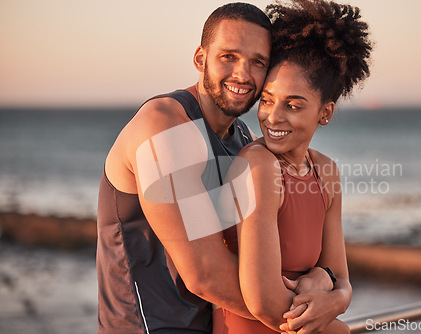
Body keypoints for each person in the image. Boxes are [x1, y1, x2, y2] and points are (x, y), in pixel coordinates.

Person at [96, 3, 339, 333]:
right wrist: (316, 319)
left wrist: (326, 280)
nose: (243, 73)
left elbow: (272, 252)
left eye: (258, 62)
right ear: (200, 59)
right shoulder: (163, 126)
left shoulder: (244, 140)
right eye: (229, 56)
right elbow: (204, 274)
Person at [213, 0, 372, 333]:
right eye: (267, 99)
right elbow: (267, 304)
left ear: (325, 113)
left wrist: (329, 284)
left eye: (293, 105)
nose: (273, 117)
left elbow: (342, 279)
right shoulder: (257, 165)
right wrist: (338, 319)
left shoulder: (326, 173)